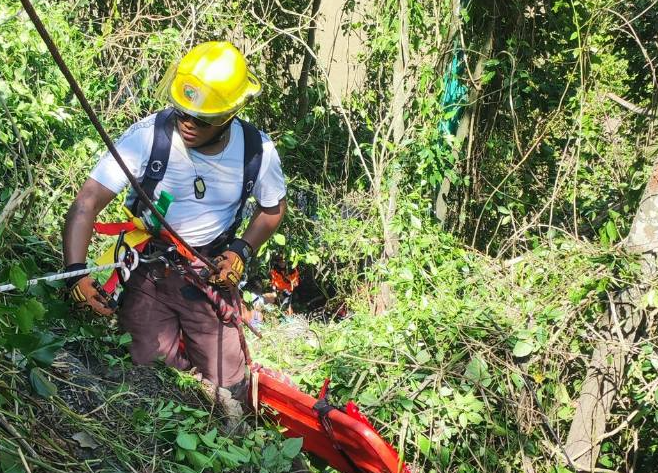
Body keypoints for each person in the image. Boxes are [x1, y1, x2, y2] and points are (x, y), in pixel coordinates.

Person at [62, 41, 286, 398]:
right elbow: (86, 204)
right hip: (150, 271)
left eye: (201, 119)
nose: (187, 123)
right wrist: (76, 272)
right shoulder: (148, 138)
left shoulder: (256, 152)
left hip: (209, 274)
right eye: (181, 111)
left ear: (228, 116)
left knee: (229, 383)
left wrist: (241, 251)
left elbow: (272, 209)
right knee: (149, 377)